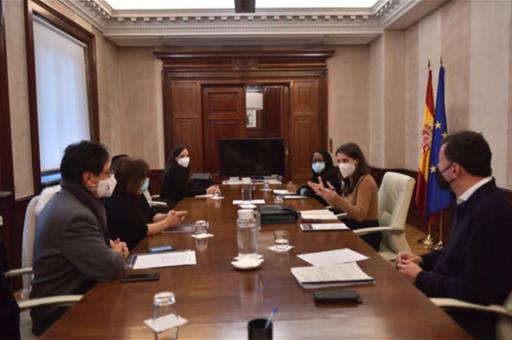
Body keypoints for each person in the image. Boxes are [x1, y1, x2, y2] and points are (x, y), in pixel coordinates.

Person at [397, 131, 512, 340]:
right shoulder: (472, 200)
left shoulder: (491, 212)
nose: (437, 170)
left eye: (440, 163)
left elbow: (475, 290)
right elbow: (454, 251)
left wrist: (420, 277)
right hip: (445, 303)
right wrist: (421, 260)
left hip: (464, 320)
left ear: (455, 170)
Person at [30, 141, 128, 336]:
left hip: (80, 296)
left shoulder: (69, 201)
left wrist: (107, 248)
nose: (111, 178)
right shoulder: (74, 216)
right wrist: (116, 253)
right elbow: (109, 268)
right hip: (62, 313)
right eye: (108, 173)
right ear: (89, 178)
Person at [308, 143, 381, 250]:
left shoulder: (366, 180)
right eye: (338, 161)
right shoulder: (349, 179)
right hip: (352, 226)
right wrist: (326, 195)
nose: (341, 164)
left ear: (356, 160)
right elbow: (342, 207)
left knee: (324, 245)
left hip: (365, 233)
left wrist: (336, 198)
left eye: (345, 160)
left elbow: (360, 215)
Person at [105, 157, 188, 250]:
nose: (144, 180)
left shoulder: (137, 194)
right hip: (133, 248)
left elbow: (151, 216)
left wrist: (167, 216)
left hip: (145, 242)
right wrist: (167, 222)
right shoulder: (116, 201)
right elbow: (141, 230)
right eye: (141, 178)